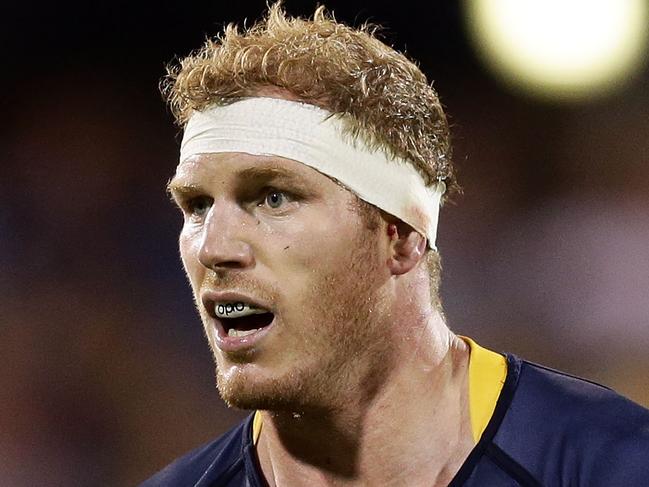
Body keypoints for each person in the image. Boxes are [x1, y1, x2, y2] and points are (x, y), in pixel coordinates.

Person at [141, 4, 649, 486]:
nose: (214, 247)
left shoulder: (616, 464)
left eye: (273, 198)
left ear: (402, 236)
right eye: (198, 206)